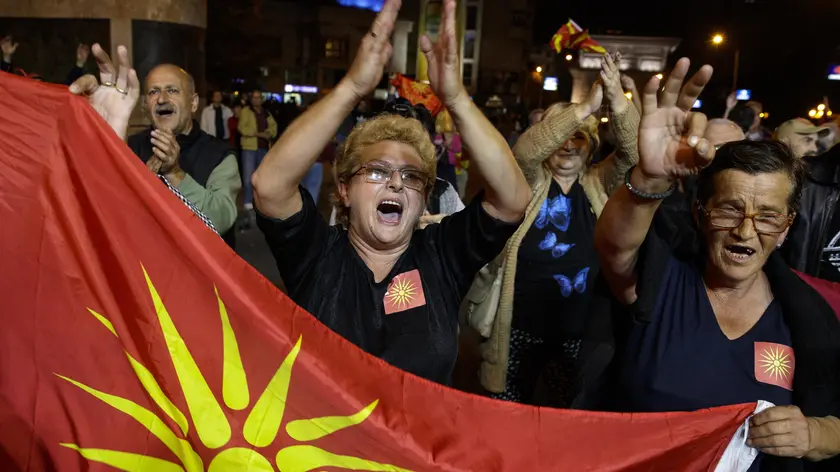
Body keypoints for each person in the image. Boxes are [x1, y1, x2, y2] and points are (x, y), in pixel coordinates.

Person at [250, 0, 530, 385]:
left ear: (422, 197)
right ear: (344, 190)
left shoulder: (441, 256)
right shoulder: (317, 257)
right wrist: (350, 88)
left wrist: (457, 99)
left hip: (419, 444)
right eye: (378, 171)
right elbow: (269, 186)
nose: (396, 183)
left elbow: (513, 198)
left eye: (412, 177)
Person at [590, 58, 840, 470]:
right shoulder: (662, 283)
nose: (745, 231)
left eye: (767, 216)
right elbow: (615, 248)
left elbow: (834, 420)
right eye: (729, 210)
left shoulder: (810, 315)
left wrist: (816, 434)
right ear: (699, 214)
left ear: (786, 227)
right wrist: (650, 180)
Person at [466, 53, 640, 406]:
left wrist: (616, 100)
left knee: (562, 415)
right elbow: (526, 153)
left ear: (590, 145)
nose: (567, 143)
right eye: (560, 133)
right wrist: (582, 108)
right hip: (518, 324)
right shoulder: (527, 180)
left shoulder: (599, 182)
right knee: (507, 410)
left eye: (579, 136)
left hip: (576, 329)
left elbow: (634, 154)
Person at [68, 45, 226, 236]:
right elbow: (95, 210)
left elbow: (221, 220)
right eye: (153, 92)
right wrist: (105, 141)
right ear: (144, 106)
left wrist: (174, 173)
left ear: (193, 103)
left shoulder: (220, 155)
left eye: (172, 90)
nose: (161, 99)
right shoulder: (128, 147)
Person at [238, 89, 278, 211]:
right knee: (248, 177)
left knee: (262, 178)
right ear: (251, 99)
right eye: (254, 97)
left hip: (264, 149)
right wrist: (258, 134)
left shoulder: (266, 112)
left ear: (262, 99)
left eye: (259, 97)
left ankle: (259, 202)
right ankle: (248, 200)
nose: (256, 99)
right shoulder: (246, 111)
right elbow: (241, 128)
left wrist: (268, 133)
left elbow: (274, 128)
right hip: (249, 148)